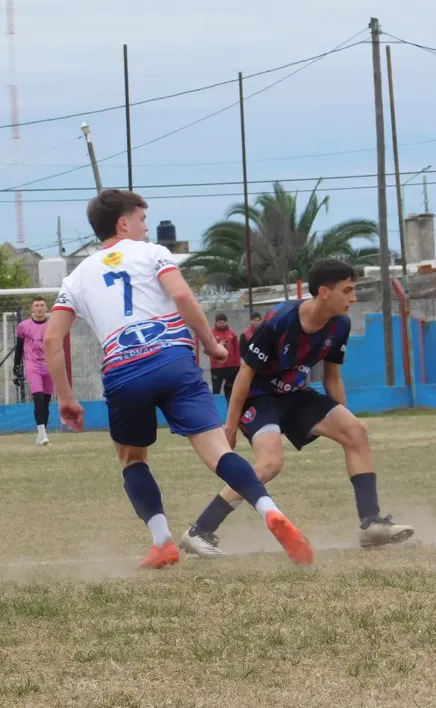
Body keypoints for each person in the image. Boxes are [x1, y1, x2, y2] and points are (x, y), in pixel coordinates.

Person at [43, 188, 312, 569]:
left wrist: (66, 399)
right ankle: (269, 511)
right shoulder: (153, 254)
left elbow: (52, 339)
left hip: (123, 369)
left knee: (132, 459)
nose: (146, 227)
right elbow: (182, 296)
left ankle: (162, 542)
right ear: (123, 223)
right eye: (141, 219)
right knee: (219, 452)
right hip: (173, 358)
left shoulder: (74, 279)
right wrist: (211, 344)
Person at [180, 258, 415, 558]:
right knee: (270, 464)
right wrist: (229, 428)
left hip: (294, 393)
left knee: (356, 431)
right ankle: (199, 531)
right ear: (324, 292)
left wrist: (341, 417)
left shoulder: (340, 324)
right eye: (348, 290)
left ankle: (371, 525)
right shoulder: (279, 322)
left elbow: (332, 377)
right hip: (258, 396)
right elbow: (244, 375)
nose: (354, 298)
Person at [14, 296, 54, 446]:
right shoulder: (24, 326)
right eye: (36, 305)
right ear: (32, 308)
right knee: (38, 399)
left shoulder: (52, 326)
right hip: (33, 366)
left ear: (46, 308)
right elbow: (19, 347)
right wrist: (16, 367)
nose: (39, 307)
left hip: (49, 366)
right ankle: (42, 434)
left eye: (42, 305)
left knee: (46, 402)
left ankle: (42, 434)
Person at [209, 313, 241, 401]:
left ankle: (230, 406)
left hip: (230, 366)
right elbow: (208, 348)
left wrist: (237, 364)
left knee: (231, 389)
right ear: (216, 323)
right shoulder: (211, 333)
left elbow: (237, 349)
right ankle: (216, 407)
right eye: (220, 322)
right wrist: (218, 345)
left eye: (223, 322)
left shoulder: (232, 333)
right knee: (216, 390)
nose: (222, 324)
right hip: (217, 367)